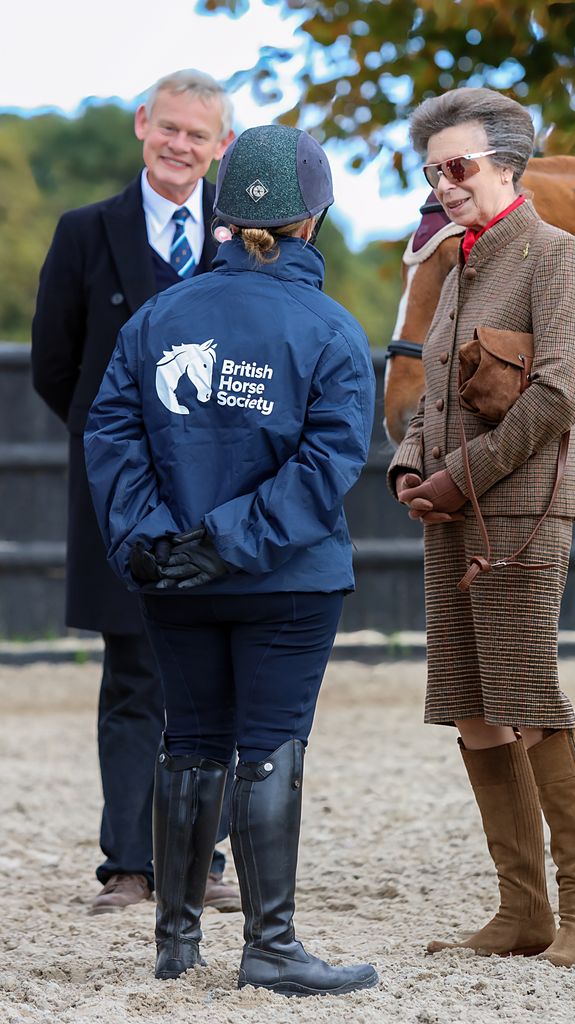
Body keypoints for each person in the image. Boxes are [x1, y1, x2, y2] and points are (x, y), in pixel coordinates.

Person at [83, 124, 379, 995]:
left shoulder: (157, 318)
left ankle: (177, 942)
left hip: (173, 578)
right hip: (286, 580)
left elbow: (110, 433)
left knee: (192, 741)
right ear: (312, 216)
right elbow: (327, 465)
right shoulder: (329, 329)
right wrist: (229, 541)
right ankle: (270, 944)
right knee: (268, 745)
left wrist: (156, 542)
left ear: (221, 206)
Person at [388, 88, 575, 968]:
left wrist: (458, 478)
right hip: (447, 512)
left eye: (458, 167)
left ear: (507, 165)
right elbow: (436, 392)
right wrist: (412, 465)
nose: (444, 186)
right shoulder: (456, 262)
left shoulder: (552, 254)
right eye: (432, 171)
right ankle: (523, 911)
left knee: (525, 700)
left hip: (519, 513)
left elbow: (560, 393)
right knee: (471, 710)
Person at [31, 69, 239, 914]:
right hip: (119, 492)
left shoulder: (246, 235)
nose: (180, 146)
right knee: (130, 674)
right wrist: (117, 451)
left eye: (199, 135)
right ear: (141, 125)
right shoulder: (85, 233)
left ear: (221, 146)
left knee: (213, 675)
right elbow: (55, 366)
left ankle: (206, 863)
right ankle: (127, 865)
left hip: (221, 489)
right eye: (169, 129)